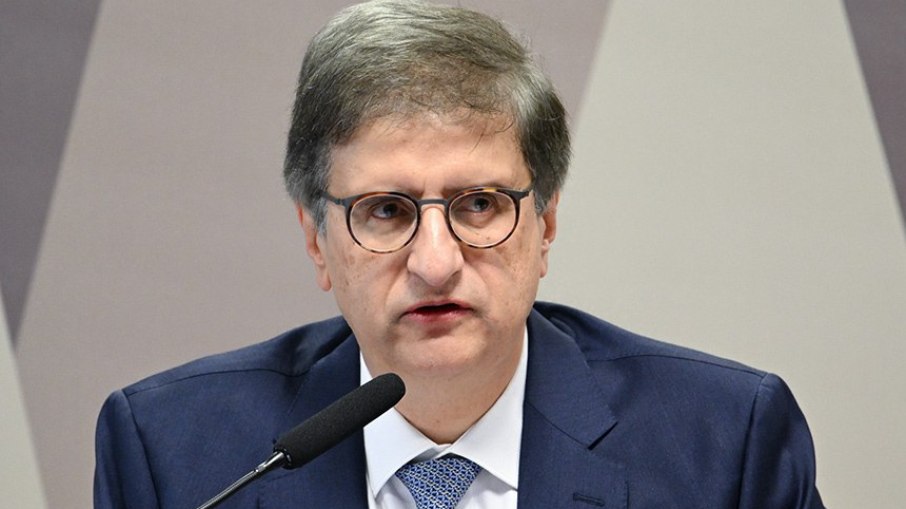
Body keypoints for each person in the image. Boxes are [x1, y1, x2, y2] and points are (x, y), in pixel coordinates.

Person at [94, 1, 825, 508]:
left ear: (546, 224)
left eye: (478, 204)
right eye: (386, 211)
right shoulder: (173, 453)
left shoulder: (723, 445)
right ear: (316, 240)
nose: (436, 262)